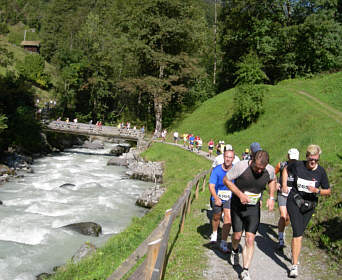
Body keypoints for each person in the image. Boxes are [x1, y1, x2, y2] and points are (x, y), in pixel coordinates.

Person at [223, 150, 276, 280]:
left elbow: (273, 180)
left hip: (253, 208)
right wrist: (240, 194)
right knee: (236, 236)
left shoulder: (269, 170)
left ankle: (245, 270)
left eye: (261, 169)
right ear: (252, 160)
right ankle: (235, 250)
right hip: (238, 207)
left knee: (250, 239)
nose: (258, 171)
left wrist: (271, 197)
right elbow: (226, 180)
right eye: (256, 168)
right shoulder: (241, 166)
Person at [282, 145, 331, 278]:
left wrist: (317, 191)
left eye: (316, 160)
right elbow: (286, 169)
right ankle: (294, 265)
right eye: (311, 160)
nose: (313, 162)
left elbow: (328, 191)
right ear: (307, 157)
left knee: (300, 232)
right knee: (297, 232)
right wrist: (285, 184)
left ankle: (294, 253)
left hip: (309, 205)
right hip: (294, 201)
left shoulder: (320, 172)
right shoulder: (298, 165)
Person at [209, 149, 235, 253]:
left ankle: (223, 243)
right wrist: (216, 198)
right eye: (226, 157)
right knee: (217, 216)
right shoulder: (217, 170)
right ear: (223, 157)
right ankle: (215, 233)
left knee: (228, 218)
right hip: (217, 196)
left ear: (233, 159)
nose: (228, 159)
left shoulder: (235, 170)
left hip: (229, 197)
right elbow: (211, 186)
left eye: (230, 157)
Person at [275, 148, 299, 249]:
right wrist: (276, 182)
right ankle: (280, 239)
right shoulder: (281, 165)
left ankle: (282, 230)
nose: (292, 161)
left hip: (293, 195)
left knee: (288, 217)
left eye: (294, 160)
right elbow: (272, 174)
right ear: (288, 157)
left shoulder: (301, 167)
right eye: (291, 159)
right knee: (283, 216)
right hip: (282, 193)